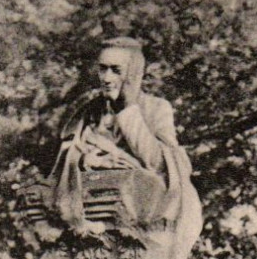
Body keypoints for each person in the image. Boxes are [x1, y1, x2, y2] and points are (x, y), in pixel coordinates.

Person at [50, 37, 201, 243]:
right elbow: (64, 157)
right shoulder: (87, 112)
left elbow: (161, 164)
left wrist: (128, 111)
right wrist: (85, 161)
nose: (106, 77)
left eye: (115, 70)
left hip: (138, 209)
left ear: (133, 74)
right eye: (102, 69)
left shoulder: (157, 108)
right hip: (90, 201)